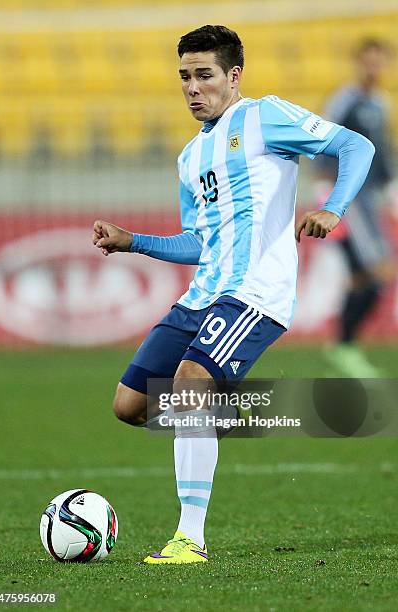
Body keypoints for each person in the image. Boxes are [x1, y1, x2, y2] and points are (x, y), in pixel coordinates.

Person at [92, 25, 375, 564]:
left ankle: (189, 538)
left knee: (190, 385)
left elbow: (355, 146)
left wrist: (333, 209)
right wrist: (135, 243)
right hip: (203, 294)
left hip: (255, 294)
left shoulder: (264, 116)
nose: (193, 88)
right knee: (129, 406)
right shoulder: (188, 158)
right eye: (184, 77)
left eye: (204, 75)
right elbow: (198, 242)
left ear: (233, 76)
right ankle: (219, 414)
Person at [318, 38, 394, 377]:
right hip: (345, 198)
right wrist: (326, 192)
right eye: (368, 61)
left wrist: (391, 189)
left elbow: (383, 153)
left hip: (369, 199)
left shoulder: (381, 104)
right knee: (375, 273)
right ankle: (344, 346)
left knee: (366, 276)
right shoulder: (343, 101)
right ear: (358, 63)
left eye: (379, 62)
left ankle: (344, 345)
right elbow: (322, 145)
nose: (373, 68)